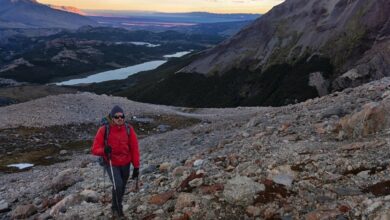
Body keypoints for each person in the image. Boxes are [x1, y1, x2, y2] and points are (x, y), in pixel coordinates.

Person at [91, 105, 140, 219]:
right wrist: (104, 150)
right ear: (112, 118)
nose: (120, 118)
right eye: (116, 117)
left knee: (122, 187)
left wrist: (136, 167)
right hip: (111, 162)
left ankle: (116, 206)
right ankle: (117, 209)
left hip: (126, 162)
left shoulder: (129, 129)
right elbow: (94, 149)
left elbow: (134, 149)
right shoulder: (104, 130)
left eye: (121, 116)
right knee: (118, 184)